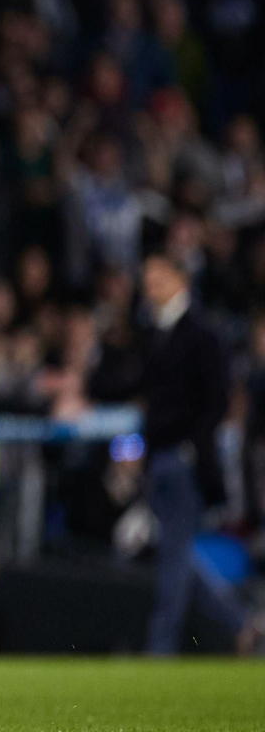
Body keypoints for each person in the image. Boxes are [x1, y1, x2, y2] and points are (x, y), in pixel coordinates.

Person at [89, 252, 252, 654]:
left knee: (173, 561)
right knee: (176, 557)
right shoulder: (155, 332)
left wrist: (192, 444)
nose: (150, 285)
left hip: (183, 460)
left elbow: (216, 400)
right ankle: (243, 625)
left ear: (181, 278)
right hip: (159, 457)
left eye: (157, 275)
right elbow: (134, 385)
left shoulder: (201, 332)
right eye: (147, 276)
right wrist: (86, 389)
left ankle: (160, 651)